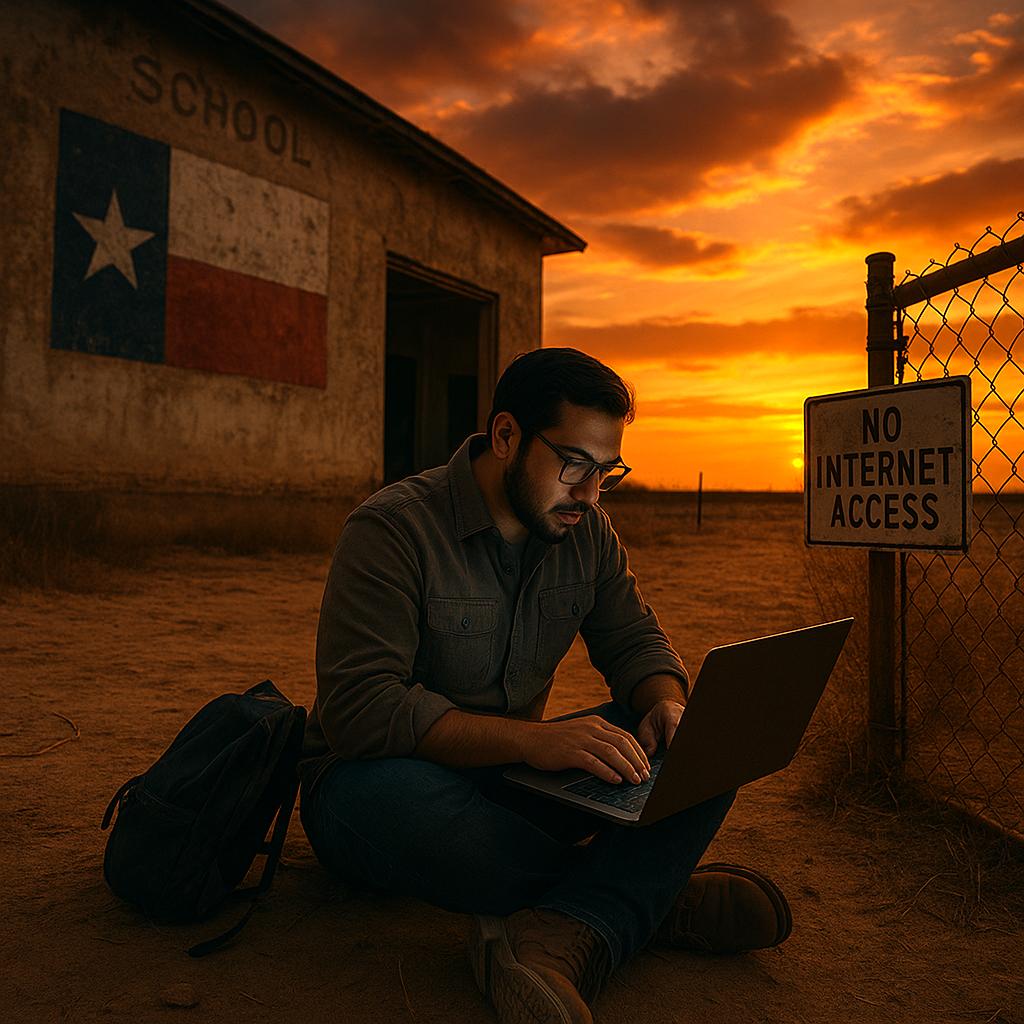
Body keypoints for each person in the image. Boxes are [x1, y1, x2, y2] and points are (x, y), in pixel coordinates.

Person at [299, 347, 791, 1024]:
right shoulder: (393, 529)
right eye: (575, 465)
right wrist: (533, 742)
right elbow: (363, 710)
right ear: (506, 436)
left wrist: (666, 704)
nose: (589, 494)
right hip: (379, 784)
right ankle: (644, 902)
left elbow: (634, 642)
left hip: (513, 783)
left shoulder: (587, 531)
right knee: (394, 802)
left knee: (705, 743)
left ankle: (571, 919)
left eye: (606, 472)